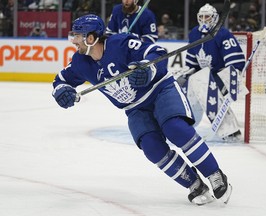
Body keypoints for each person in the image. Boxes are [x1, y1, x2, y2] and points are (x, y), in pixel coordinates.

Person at [52, 14, 232, 205]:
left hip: (160, 90)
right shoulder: (80, 62)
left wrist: (147, 68)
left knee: (175, 128)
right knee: (151, 147)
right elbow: (61, 80)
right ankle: (194, 183)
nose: (74, 41)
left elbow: (157, 51)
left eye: (78, 36)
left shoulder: (121, 43)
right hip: (135, 108)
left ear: (91, 38)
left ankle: (214, 174)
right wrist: (61, 91)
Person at [177, 3, 246, 141]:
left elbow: (236, 63)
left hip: (222, 74)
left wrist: (230, 82)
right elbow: (192, 63)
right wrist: (184, 76)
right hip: (204, 75)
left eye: (207, 17)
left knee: (205, 85)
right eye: (201, 17)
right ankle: (188, 126)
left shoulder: (222, 33)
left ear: (214, 18)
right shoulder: (195, 33)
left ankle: (231, 132)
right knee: (186, 88)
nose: (204, 20)